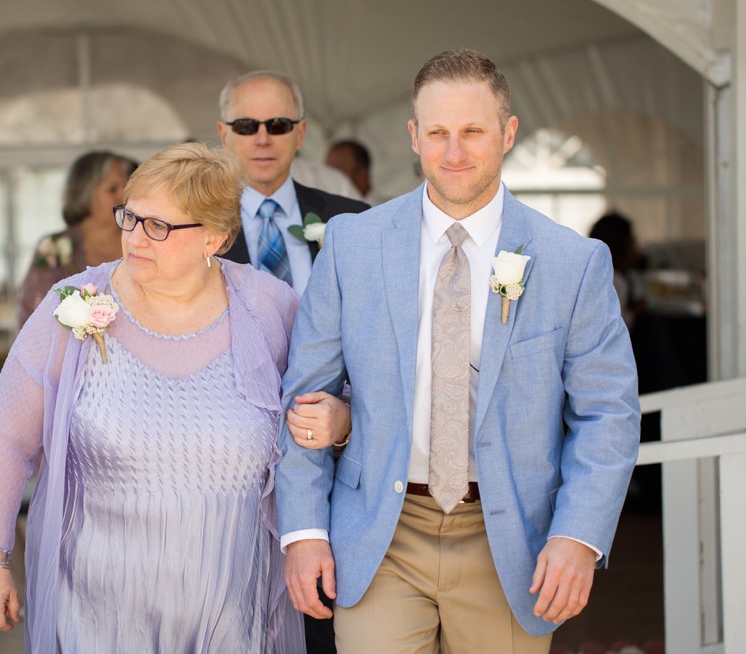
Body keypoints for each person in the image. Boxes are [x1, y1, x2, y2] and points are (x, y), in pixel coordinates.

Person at [276, 49, 640, 653]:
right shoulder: (352, 245)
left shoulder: (574, 262)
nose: (454, 152)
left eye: (472, 131)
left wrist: (578, 536)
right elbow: (304, 398)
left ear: (508, 133)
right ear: (414, 136)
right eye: (438, 133)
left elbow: (608, 414)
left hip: (513, 542)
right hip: (381, 533)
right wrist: (305, 530)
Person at [0, 143, 348, 653]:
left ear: (214, 237)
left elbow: (332, 393)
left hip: (231, 607)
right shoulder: (74, 305)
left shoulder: (266, 304)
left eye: (159, 226)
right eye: (130, 217)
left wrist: (338, 418)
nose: (135, 238)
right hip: (101, 605)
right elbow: (8, 440)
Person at [216, 70, 369, 297]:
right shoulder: (194, 226)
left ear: (300, 134)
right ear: (224, 135)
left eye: (278, 125)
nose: (263, 139)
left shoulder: (354, 220)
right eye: (246, 126)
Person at [16, 150, 137, 327]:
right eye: (112, 189)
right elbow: (33, 320)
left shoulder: (141, 241)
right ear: (85, 193)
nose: (124, 196)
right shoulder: (54, 247)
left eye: (127, 188)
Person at [589, 211, 645, 330]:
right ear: (621, 244)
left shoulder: (594, 273)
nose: (636, 246)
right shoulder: (615, 280)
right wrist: (637, 311)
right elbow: (617, 326)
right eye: (632, 240)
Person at [324, 140, 376, 205]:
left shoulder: (387, 209)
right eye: (327, 173)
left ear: (362, 176)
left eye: (338, 174)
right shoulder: (326, 208)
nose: (330, 179)